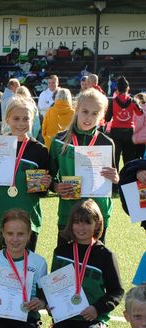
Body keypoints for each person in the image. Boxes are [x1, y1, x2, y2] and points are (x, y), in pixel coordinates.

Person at [48, 199, 124, 328]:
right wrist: (51, 305)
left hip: (92, 317)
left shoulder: (105, 255)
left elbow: (117, 291)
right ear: (71, 224)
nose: (81, 228)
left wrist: (97, 309)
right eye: (76, 223)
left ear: (97, 224)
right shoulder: (61, 251)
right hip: (67, 316)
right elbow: (53, 286)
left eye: (87, 223)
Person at [49, 88, 119, 245]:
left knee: (94, 263)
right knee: (67, 263)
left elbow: (114, 180)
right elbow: (50, 176)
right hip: (69, 213)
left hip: (98, 214)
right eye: (85, 111)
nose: (89, 118)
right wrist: (55, 186)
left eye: (95, 113)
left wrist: (115, 178)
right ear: (76, 109)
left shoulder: (107, 143)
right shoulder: (59, 140)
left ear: (101, 115)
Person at [0, 97, 50, 251]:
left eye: (26, 118)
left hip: (29, 218)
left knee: (27, 266)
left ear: (33, 120)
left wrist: (45, 183)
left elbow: (41, 192)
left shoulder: (40, 150)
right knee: (6, 267)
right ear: (7, 119)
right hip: (3, 217)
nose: (21, 123)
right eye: (16, 118)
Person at [105, 76, 143, 168]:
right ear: (128, 88)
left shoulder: (113, 102)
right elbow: (140, 113)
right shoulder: (133, 101)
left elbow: (107, 118)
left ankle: (115, 179)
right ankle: (126, 178)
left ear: (117, 89)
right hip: (129, 132)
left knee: (115, 157)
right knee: (128, 158)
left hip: (116, 132)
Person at [133, 93, 146, 158]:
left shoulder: (139, 109)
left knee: (135, 156)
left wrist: (132, 131)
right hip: (144, 137)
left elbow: (139, 123)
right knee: (143, 155)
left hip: (138, 136)